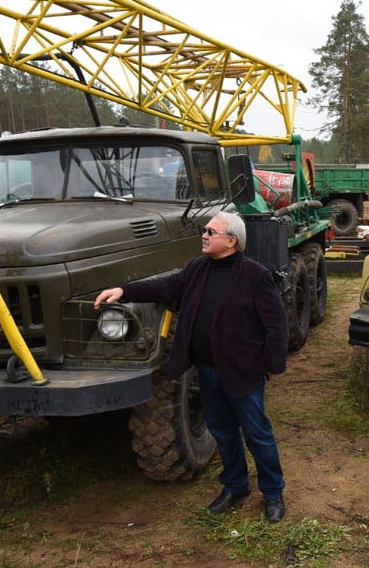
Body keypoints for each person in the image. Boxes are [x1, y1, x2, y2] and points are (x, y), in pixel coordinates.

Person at [93, 211, 290, 523]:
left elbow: (276, 324)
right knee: (223, 433)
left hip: (243, 373)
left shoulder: (254, 275)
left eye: (211, 231)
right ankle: (236, 486)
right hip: (208, 371)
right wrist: (124, 291)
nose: (204, 234)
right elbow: (166, 286)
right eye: (205, 230)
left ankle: (273, 492)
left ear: (231, 241)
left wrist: (270, 365)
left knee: (257, 434)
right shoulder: (199, 268)